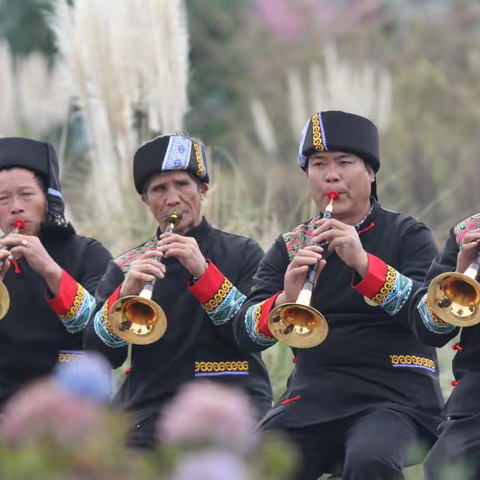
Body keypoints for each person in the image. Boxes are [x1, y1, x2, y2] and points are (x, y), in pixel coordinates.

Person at [234, 111, 444, 480]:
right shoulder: (290, 247)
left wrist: (365, 265)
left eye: (345, 163)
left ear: (371, 172)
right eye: (319, 165)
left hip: (396, 396)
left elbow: (429, 318)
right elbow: (245, 333)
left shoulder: (409, 235)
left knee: (370, 460)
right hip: (314, 397)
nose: (331, 175)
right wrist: (284, 298)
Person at [85, 134, 273, 449]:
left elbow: (252, 335)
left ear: (203, 190)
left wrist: (203, 271)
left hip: (235, 396)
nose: (172, 199)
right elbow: (102, 357)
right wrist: (123, 296)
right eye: (159, 189)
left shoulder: (243, 252)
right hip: (153, 406)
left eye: (182, 184)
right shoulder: (125, 266)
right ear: (146, 202)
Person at [0, 137, 112, 411]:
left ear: (49, 199)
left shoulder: (89, 254)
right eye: (3, 198)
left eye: (27, 195)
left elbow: (103, 339)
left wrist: (50, 270)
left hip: (75, 402)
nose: (16, 206)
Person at [409, 214, 480, 479]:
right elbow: (428, 331)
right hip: (476, 397)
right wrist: (459, 279)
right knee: (442, 468)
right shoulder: (468, 232)